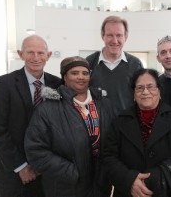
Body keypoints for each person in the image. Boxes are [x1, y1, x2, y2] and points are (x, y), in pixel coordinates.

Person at [24, 56, 117, 197]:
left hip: (100, 184)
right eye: (74, 73)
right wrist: (71, 172)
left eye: (85, 73)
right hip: (65, 186)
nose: (81, 77)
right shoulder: (48, 108)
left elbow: (114, 140)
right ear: (64, 77)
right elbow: (35, 149)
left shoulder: (104, 104)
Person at [103, 68, 171, 197]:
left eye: (150, 87)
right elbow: (108, 157)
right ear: (133, 94)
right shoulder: (120, 121)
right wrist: (130, 180)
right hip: (128, 191)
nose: (145, 92)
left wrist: (154, 178)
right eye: (139, 88)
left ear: (159, 91)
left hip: (166, 191)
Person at [0, 35, 61, 197]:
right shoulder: (3, 84)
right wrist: (21, 166)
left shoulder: (58, 85)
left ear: (48, 56)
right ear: (20, 54)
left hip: (46, 173)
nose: (36, 58)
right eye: (30, 52)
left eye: (41, 53)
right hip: (12, 174)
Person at [86, 15, 143, 113]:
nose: (115, 41)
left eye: (119, 35)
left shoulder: (135, 64)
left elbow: (142, 96)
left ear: (126, 37)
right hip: (96, 126)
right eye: (110, 35)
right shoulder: (89, 62)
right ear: (102, 36)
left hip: (126, 125)